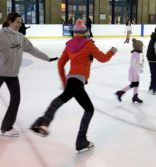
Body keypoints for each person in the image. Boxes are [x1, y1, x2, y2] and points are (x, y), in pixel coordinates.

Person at [30, 19, 118, 152]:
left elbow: (60, 63)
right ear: (85, 33)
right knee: (64, 97)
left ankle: (81, 141)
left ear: (74, 33)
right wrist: (112, 51)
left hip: (73, 79)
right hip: (78, 79)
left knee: (89, 109)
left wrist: (64, 81)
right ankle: (43, 122)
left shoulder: (68, 46)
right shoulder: (88, 44)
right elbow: (103, 58)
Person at [115, 38, 144, 103]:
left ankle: (135, 96)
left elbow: (136, 63)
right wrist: (139, 68)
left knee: (136, 83)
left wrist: (140, 65)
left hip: (135, 71)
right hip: (133, 71)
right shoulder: (135, 53)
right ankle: (120, 92)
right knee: (133, 84)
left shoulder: (137, 53)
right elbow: (133, 63)